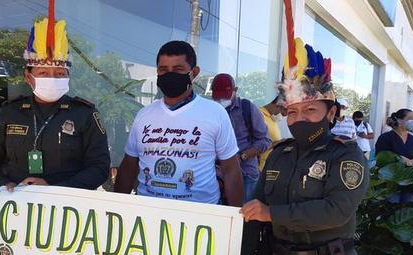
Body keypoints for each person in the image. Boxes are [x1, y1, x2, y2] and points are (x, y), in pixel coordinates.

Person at [241, 38, 369, 255]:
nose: (299, 119)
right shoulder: (279, 154)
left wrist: (272, 214)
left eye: (310, 109)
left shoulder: (346, 155)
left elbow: (337, 209)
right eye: (293, 111)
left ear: (331, 113)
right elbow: (255, 209)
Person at [0, 11, 110, 255]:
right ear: (28, 75)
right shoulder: (10, 112)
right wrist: (6, 185)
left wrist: (53, 188)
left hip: (67, 222)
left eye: (59, 74)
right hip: (15, 217)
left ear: (68, 76)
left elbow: (99, 167)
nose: (52, 78)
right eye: (43, 73)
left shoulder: (84, 114)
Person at [114, 41, 244, 207]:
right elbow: (129, 165)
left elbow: (231, 169)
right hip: (148, 213)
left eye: (178, 69)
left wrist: (237, 219)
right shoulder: (144, 115)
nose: (170, 75)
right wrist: (116, 208)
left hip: (200, 216)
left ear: (194, 72)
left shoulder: (215, 113)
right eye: (163, 70)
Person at [211, 73, 271, 202]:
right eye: (218, 96)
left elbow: (265, 140)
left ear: (235, 90)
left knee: (244, 217)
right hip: (217, 176)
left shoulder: (248, 109)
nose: (221, 100)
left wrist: (242, 156)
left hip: (246, 174)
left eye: (225, 96)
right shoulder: (210, 111)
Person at [258, 96, 286, 171]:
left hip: (271, 167)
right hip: (260, 170)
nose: (282, 117)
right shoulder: (259, 116)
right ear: (278, 105)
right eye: (283, 114)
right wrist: (277, 144)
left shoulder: (272, 119)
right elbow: (254, 146)